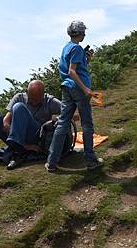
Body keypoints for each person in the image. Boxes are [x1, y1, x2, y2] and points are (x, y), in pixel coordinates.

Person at [0, 80, 61, 170]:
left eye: (37, 99)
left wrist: (56, 121)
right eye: (31, 99)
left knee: (19, 107)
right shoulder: (19, 98)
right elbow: (5, 123)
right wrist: (24, 145)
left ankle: (18, 154)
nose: (34, 102)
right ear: (27, 93)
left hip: (36, 136)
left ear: (43, 94)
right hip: (15, 137)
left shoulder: (50, 101)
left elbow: (68, 111)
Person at [46, 20, 103, 172]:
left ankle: (51, 162)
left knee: (63, 123)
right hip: (78, 88)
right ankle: (90, 160)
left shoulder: (67, 47)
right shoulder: (77, 49)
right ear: (79, 33)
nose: (85, 34)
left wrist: (87, 60)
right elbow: (72, 71)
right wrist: (86, 90)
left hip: (66, 88)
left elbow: (71, 70)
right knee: (87, 124)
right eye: (83, 32)